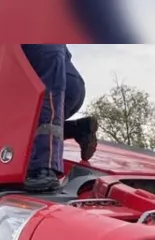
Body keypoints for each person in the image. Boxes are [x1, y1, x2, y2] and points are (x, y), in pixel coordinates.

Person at [22, 44, 99, 192]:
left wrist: (45, 164)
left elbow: (49, 54)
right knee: (21, 128)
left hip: (54, 80)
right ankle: (78, 129)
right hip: (70, 82)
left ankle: (44, 170)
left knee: (43, 112)